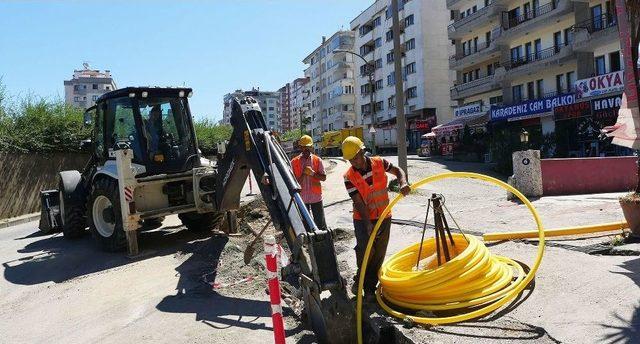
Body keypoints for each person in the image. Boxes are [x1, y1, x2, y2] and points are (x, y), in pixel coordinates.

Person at [341, 136, 410, 297]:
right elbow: (358, 202)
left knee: (379, 252)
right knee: (366, 251)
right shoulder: (348, 176)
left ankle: (369, 287)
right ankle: (361, 279)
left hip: (384, 215)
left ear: (363, 151)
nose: (355, 162)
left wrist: (403, 183)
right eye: (351, 160)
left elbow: (397, 171)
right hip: (362, 219)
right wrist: (367, 224)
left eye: (356, 157)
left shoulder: (379, 162)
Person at [291, 135, 328, 231]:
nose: (306, 149)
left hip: (316, 197)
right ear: (300, 147)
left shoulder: (317, 160)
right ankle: (309, 243)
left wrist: (312, 173)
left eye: (308, 146)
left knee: (320, 224)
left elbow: (323, 178)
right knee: (306, 225)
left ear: (312, 147)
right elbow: (293, 183)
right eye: (304, 147)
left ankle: (322, 242)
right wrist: (303, 174)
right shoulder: (294, 162)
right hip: (302, 198)